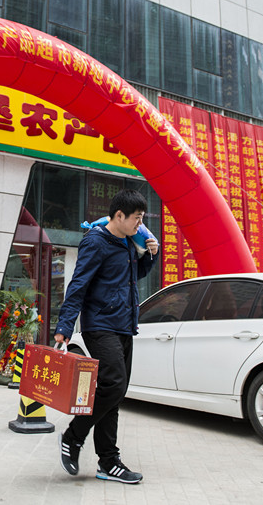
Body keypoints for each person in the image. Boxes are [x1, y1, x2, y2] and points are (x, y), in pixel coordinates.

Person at [54, 189, 159, 484]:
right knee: (114, 385)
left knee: (115, 393)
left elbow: (131, 277)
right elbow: (78, 285)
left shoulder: (128, 243)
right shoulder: (96, 241)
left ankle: (108, 462)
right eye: (137, 218)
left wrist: (150, 257)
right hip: (100, 325)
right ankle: (73, 436)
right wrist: (64, 326)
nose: (140, 225)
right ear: (119, 215)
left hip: (124, 324)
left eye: (142, 219)